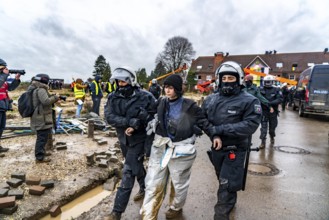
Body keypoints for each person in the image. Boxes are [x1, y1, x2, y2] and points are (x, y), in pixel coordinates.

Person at [140, 74, 211, 219]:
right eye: (166, 87)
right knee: (153, 181)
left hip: (181, 148)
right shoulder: (160, 102)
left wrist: (212, 134)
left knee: (179, 182)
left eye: (171, 88)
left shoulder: (189, 105)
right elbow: (149, 114)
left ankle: (176, 207)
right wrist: (141, 121)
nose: (167, 90)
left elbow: (203, 121)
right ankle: (148, 214)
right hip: (160, 145)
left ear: (178, 89)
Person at [202, 61, 262, 220]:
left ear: (239, 79)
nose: (227, 81)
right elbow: (203, 120)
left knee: (226, 184)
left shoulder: (250, 101)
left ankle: (221, 215)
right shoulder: (210, 99)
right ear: (219, 79)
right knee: (223, 180)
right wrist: (213, 135)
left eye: (231, 78)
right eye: (224, 78)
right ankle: (230, 200)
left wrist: (220, 130)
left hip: (236, 149)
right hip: (216, 149)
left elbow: (250, 125)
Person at [104, 66, 156, 220]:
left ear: (131, 81)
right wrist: (128, 122)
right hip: (123, 139)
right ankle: (144, 187)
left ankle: (116, 212)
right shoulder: (112, 97)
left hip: (140, 139)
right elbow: (109, 117)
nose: (120, 84)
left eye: (123, 82)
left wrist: (140, 120)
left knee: (127, 172)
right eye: (118, 82)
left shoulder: (146, 96)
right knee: (135, 166)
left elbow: (155, 117)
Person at [28, 74, 60, 163]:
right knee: (41, 138)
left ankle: (42, 152)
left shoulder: (39, 88)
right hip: (41, 117)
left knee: (43, 137)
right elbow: (45, 102)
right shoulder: (41, 89)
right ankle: (39, 157)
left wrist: (53, 97)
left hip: (42, 116)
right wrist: (55, 97)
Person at [0, 59, 21, 153]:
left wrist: (16, 79)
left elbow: (11, 88)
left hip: (2, 105)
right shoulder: (2, 78)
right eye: (3, 67)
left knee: (1, 126)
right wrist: (5, 75)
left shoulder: (3, 78)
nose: (5, 69)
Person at [259, 75, 283, 148]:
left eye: (269, 82)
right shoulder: (260, 89)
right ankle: (263, 142)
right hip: (264, 111)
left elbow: (280, 99)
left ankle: (272, 137)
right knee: (263, 128)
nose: (268, 83)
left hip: (273, 112)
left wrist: (270, 103)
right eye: (266, 82)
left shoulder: (277, 89)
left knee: (272, 128)